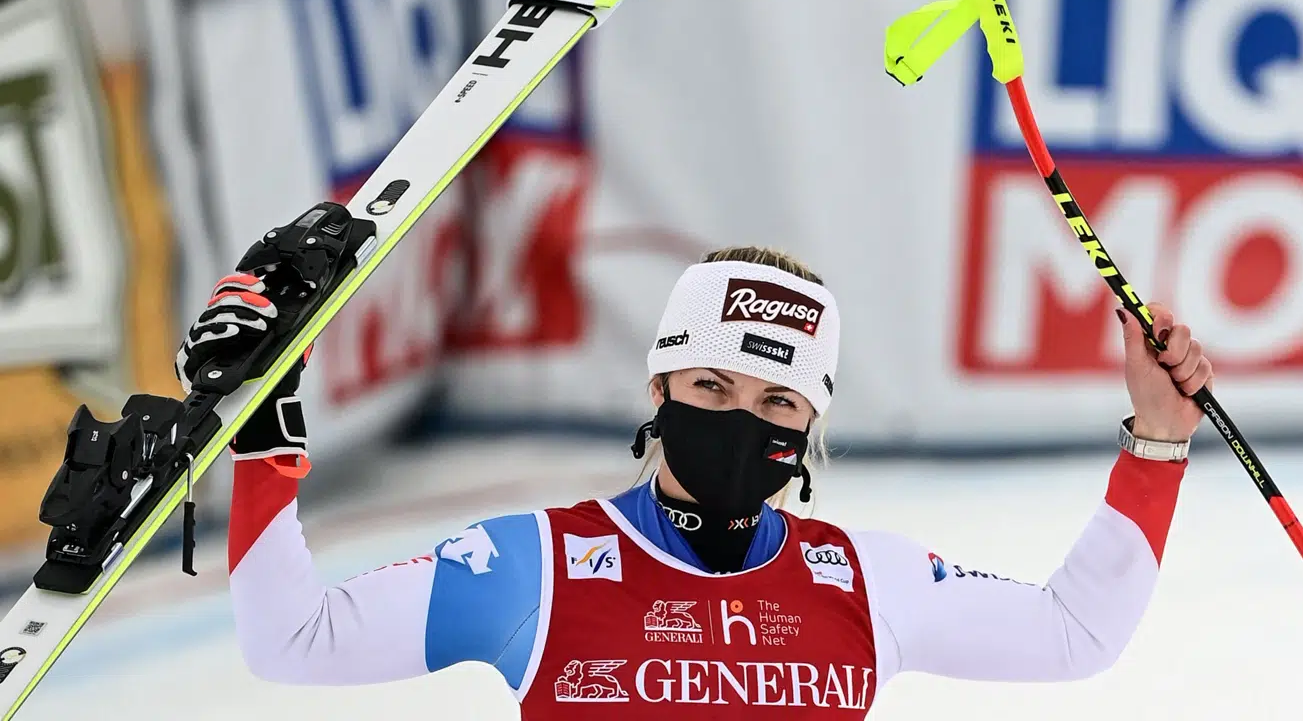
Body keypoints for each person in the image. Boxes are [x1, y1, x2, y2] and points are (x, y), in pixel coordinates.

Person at [180, 242, 1210, 717]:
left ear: (810, 424)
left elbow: (1076, 636)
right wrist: (265, 447)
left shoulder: (863, 580)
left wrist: (1157, 445)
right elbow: (292, 642)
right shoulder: (535, 566)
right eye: (713, 383)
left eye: (777, 405)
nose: (740, 420)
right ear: (661, 378)